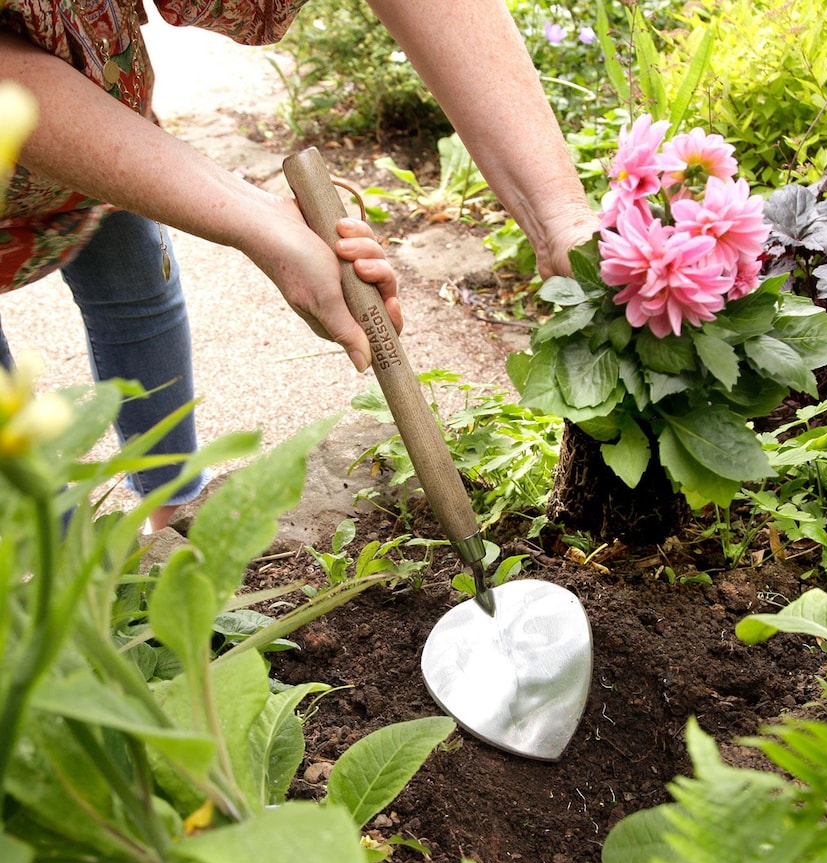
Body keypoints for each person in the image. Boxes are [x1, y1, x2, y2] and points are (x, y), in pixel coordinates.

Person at [0, 0, 597, 531]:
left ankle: (169, 510)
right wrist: (257, 221)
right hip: (31, 130)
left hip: (97, 112)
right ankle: (51, 554)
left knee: (137, 292)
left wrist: (558, 219)